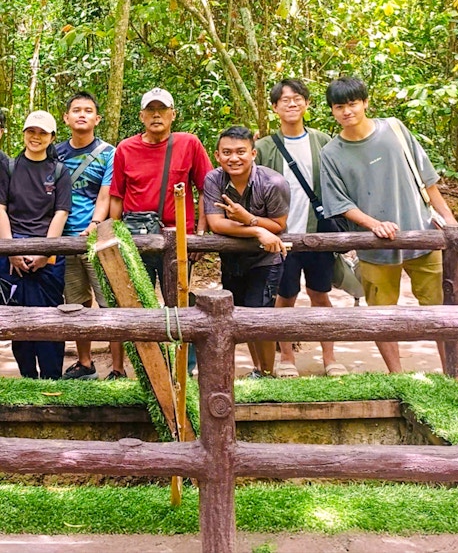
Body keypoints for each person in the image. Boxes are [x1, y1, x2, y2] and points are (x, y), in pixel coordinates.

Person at [321, 76, 458, 373]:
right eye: (339, 106)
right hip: (375, 246)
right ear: (332, 110)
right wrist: (374, 224)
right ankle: (397, 375)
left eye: (353, 103)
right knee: (381, 315)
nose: (347, 111)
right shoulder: (331, 153)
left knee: (441, 309)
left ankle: (454, 375)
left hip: (422, 234)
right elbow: (339, 203)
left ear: (365, 103)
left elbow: (427, 178)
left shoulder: (394, 128)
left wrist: (449, 221)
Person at [109, 88, 212, 373]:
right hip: (136, 239)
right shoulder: (125, 149)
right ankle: (149, 366)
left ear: (172, 114)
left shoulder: (189, 144)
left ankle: (184, 367)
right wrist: (115, 236)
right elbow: (117, 196)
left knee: (177, 300)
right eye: (150, 110)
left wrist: (200, 234)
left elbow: (207, 188)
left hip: (178, 239)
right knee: (137, 300)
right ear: (141, 116)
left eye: (162, 109)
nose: (156, 115)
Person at [255, 79, 347, 378]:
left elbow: (339, 185)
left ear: (307, 104)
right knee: (286, 297)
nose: (292, 104)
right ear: (274, 108)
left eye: (297, 98)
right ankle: (286, 359)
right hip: (282, 237)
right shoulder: (264, 147)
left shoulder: (324, 142)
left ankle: (330, 358)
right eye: (285, 100)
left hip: (317, 234)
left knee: (320, 294)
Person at [204, 126, 290, 377]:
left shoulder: (274, 182)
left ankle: (266, 373)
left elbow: (279, 225)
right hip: (231, 260)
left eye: (241, 152)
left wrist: (248, 218)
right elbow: (216, 223)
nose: (234, 158)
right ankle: (257, 369)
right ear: (218, 156)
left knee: (258, 315)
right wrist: (256, 230)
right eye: (227, 152)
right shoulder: (213, 179)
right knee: (240, 317)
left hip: (266, 259)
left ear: (253, 153)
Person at [56, 91, 123, 380]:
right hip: (66, 240)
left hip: (98, 240)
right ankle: (85, 363)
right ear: (66, 117)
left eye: (88, 110)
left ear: (97, 118)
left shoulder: (109, 152)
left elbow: (106, 194)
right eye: (76, 110)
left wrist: (96, 223)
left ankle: (118, 368)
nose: (81, 114)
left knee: (110, 301)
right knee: (75, 303)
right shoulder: (54, 153)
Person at [0, 110, 72, 379]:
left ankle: (53, 378)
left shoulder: (59, 171)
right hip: (12, 252)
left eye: (43, 133)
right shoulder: (9, 167)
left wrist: (45, 252)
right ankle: (28, 378)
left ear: (52, 137)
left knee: (51, 317)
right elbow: (1, 208)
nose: (36, 137)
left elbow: (61, 213)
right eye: (32, 131)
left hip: (48, 256)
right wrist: (11, 251)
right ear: (23, 133)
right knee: (19, 320)